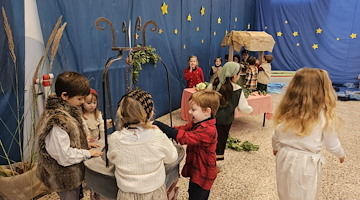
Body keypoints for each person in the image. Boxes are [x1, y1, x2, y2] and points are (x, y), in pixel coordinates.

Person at [272, 68, 345, 200]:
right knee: (305, 193)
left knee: (285, 191)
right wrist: (340, 154)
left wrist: (275, 148)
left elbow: (276, 133)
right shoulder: (323, 115)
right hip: (306, 163)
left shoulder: (287, 110)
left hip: (284, 157)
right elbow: (331, 143)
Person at [36, 71, 103, 200]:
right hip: (64, 178)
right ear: (65, 96)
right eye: (79, 99)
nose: (83, 102)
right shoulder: (57, 121)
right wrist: (87, 153)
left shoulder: (69, 112)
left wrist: (84, 144)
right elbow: (63, 156)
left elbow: (67, 141)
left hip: (72, 174)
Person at [107, 89, 178, 200]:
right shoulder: (156, 135)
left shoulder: (115, 138)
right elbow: (172, 157)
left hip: (127, 194)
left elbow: (111, 159)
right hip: (154, 192)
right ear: (150, 114)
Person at [153, 90, 221, 200]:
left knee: (198, 195)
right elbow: (182, 129)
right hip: (196, 168)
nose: (189, 112)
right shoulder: (197, 122)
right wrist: (168, 130)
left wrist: (160, 125)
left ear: (207, 111)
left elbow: (184, 137)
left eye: (193, 109)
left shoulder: (208, 130)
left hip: (204, 173)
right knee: (192, 191)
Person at [212, 62, 253, 160]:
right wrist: (251, 110)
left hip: (211, 118)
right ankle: (215, 161)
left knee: (211, 139)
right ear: (235, 75)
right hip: (225, 120)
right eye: (239, 74)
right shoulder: (237, 89)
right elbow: (243, 108)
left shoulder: (215, 84)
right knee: (221, 140)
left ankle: (208, 159)